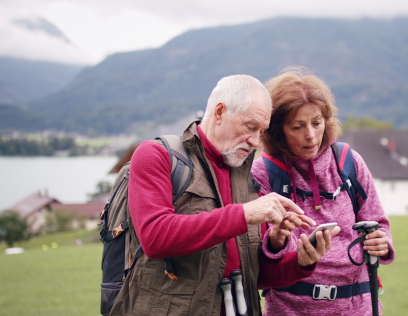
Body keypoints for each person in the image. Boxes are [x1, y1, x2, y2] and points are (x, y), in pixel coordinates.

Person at [110, 74, 337, 316]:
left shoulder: (247, 178)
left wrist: (300, 261)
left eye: (262, 131)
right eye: (250, 127)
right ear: (219, 112)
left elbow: (255, 278)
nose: (255, 141)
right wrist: (244, 214)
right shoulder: (155, 156)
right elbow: (155, 238)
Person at [251, 68, 395, 316]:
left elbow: (379, 223)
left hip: (357, 306)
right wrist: (279, 239)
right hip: (290, 308)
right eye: (298, 127)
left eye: (316, 123)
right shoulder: (263, 173)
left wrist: (382, 240)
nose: (311, 135)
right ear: (276, 130)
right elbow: (261, 257)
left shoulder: (348, 161)